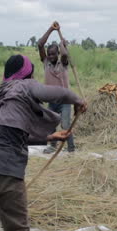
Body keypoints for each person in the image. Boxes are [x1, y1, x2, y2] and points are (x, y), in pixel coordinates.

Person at [0, 54, 87, 231]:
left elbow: (11, 133)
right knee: (17, 230)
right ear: (27, 73)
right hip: (2, 168)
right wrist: (78, 99)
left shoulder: (1, 94)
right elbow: (56, 92)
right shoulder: (24, 86)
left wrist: (49, 137)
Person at [37, 21, 76, 153]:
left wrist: (61, 44)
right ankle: (52, 146)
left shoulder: (63, 63)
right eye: (49, 53)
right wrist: (51, 29)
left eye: (53, 53)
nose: (51, 56)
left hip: (64, 101)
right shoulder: (46, 62)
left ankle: (71, 149)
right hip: (51, 101)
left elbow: (64, 55)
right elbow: (40, 44)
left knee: (65, 125)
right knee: (51, 123)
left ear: (57, 53)